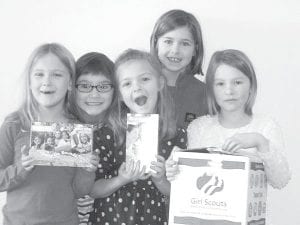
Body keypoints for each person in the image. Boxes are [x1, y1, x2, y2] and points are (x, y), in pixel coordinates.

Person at [0, 43, 99, 225]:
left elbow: (79, 191)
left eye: (57, 74)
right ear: (30, 81)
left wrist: (87, 171)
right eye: (39, 74)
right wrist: (21, 168)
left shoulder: (78, 132)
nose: (47, 81)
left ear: (70, 83)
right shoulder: (14, 124)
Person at [166, 49, 291, 189]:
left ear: (251, 85)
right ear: (211, 89)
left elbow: (280, 181)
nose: (229, 91)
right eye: (220, 84)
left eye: (237, 82)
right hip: (208, 208)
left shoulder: (266, 126)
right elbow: (191, 183)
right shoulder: (199, 127)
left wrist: (259, 141)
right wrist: (175, 170)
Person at [88, 49, 187, 225]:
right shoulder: (108, 134)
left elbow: (176, 192)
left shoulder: (175, 135)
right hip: (110, 219)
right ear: (119, 94)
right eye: (127, 84)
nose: (137, 87)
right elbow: (93, 190)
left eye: (145, 79)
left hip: (153, 218)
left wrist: (160, 179)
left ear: (160, 83)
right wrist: (121, 179)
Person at [68, 52, 116, 225]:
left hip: (111, 217)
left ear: (114, 90)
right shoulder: (62, 129)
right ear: (72, 88)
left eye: (103, 86)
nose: (94, 94)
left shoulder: (121, 130)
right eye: (85, 86)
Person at [150, 9, 208, 129]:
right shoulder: (140, 86)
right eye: (168, 41)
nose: (175, 50)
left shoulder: (205, 94)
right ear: (156, 43)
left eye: (185, 43)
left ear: (195, 49)